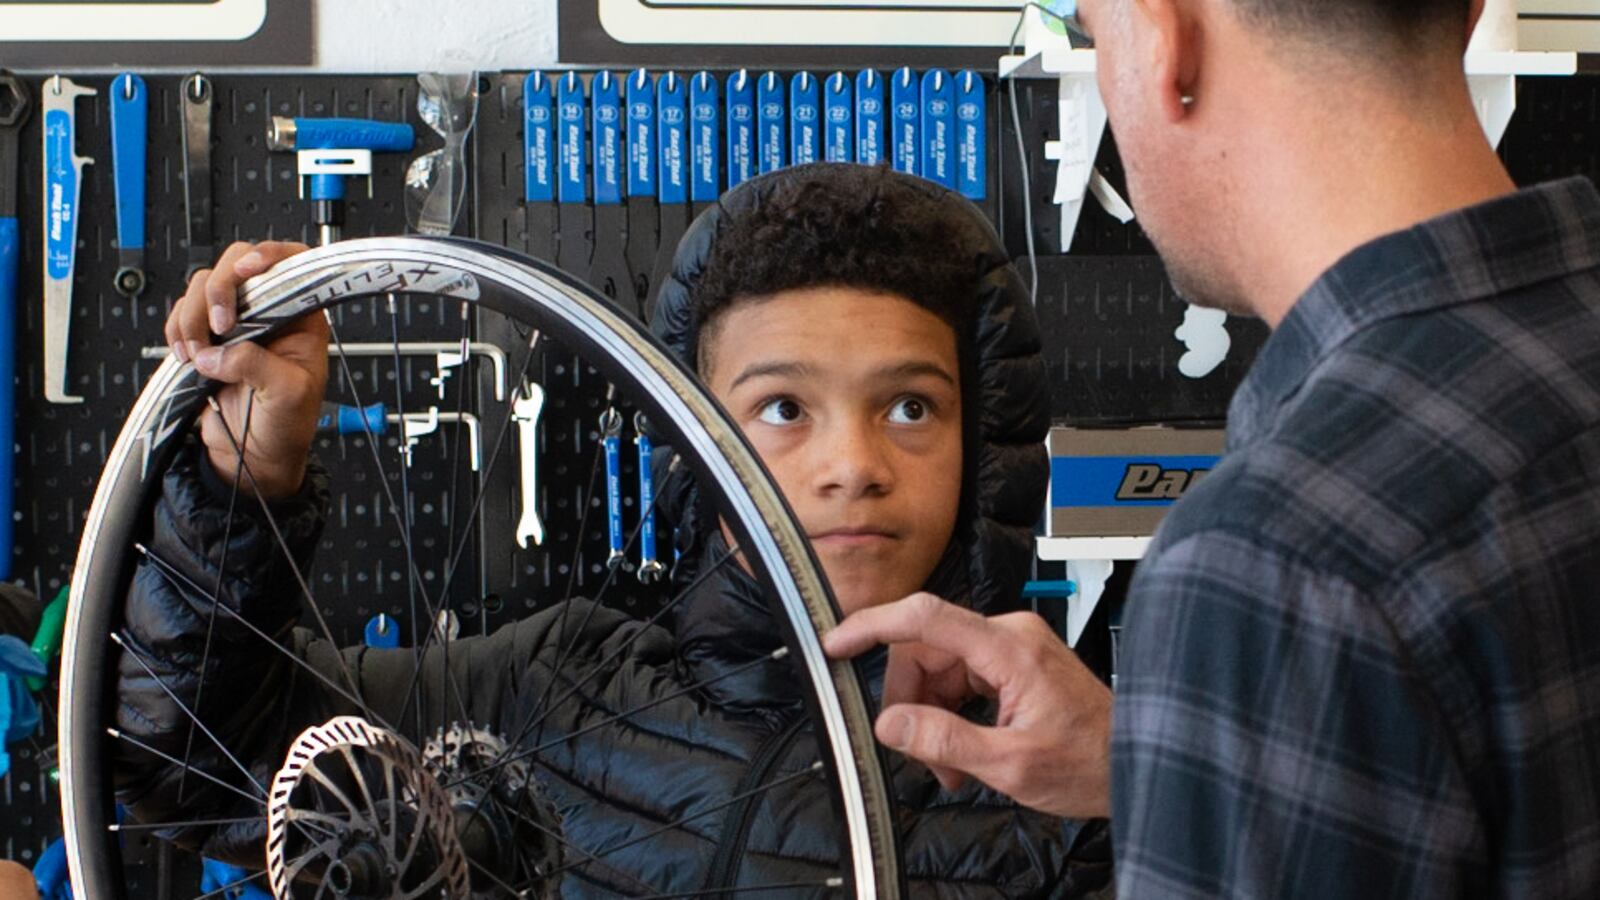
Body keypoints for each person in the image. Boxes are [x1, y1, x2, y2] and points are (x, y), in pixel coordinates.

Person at [119, 163, 1113, 896]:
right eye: (782, 410)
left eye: (909, 408)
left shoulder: (1067, 786)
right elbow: (190, 752)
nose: (852, 464)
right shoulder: (550, 690)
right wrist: (242, 471)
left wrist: (1141, 780)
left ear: (983, 442)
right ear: (693, 439)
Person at [826, 0, 1600, 897]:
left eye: (1091, 28)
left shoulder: (1279, 560)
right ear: (1467, 15)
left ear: (1165, 40)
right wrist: (1163, 758)